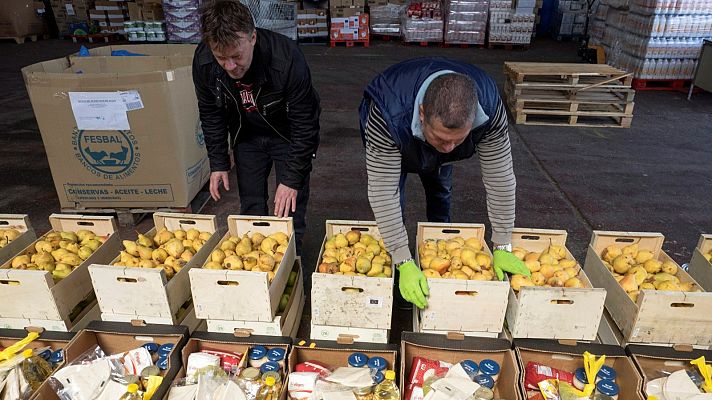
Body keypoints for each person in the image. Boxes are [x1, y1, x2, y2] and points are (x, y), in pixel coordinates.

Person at [359, 57, 530, 309]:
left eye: (458, 139)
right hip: (398, 138)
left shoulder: (490, 107)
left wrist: (502, 242)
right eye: (441, 138)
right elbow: (383, 192)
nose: (449, 147)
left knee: (440, 189)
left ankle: (438, 246)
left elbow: (500, 177)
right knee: (396, 197)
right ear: (422, 113)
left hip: (427, 128)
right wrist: (403, 260)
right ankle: (401, 271)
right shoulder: (386, 114)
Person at [193, 0, 320, 252]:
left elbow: (305, 123)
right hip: (246, 135)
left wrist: (292, 178)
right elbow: (211, 113)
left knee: (289, 204)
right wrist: (218, 162)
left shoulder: (286, 59)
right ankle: (256, 267)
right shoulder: (205, 62)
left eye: (236, 56)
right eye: (221, 58)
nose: (229, 66)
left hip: (287, 133)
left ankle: (291, 258)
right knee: (251, 205)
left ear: (252, 37)